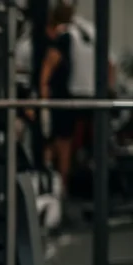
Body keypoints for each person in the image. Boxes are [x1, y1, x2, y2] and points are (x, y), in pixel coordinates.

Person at [39, 2, 116, 200]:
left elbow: (49, 66)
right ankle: (101, 190)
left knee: (62, 141)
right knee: (95, 143)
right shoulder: (92, 30)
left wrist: (43, 97)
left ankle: (62, 189)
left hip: (71, 95)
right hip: (93, 95)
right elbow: (110, 66)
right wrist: (107, 89)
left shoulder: (65, 33)